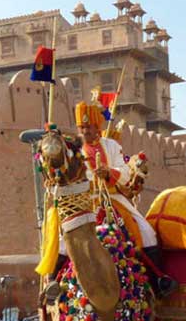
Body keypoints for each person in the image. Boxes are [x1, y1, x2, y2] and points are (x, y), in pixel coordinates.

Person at [75, 100, 177, 296]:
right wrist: (93, 178)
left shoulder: (111, 146)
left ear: (98, 127)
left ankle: (157, 282)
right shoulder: (76, 150)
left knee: (147, 232)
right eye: (82, 127)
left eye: (89, 127)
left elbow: (125, 172)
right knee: (65, 241)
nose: (85, 131)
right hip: (89, 203)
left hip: (115, 200)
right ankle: (56, 284)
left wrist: (109, 173)